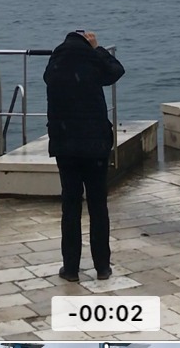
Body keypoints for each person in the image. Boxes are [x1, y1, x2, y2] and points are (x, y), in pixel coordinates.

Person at [44, 29, 125, 282]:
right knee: (98, 204)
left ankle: (70, 269)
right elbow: (116, 71)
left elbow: (48, 79)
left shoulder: (54, 64)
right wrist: (97, 49)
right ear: (86, 42)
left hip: (65, 146)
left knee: (70, 205)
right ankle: (102, 266)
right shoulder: (92, 60)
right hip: (95, 146)